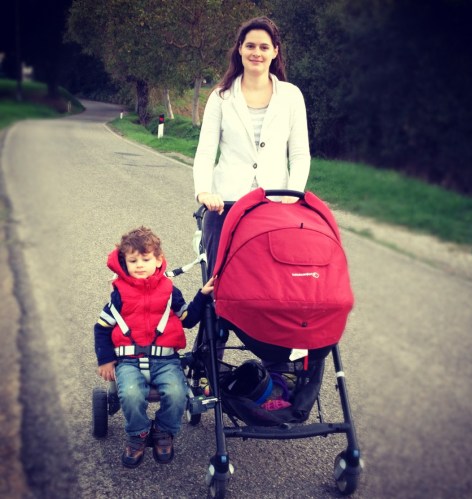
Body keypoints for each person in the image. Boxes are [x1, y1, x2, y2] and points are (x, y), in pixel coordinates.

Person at [193, 16, 311, 277]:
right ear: (240, 49)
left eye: (264, 47)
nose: (256, 52)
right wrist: (204, 192)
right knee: (220, 282)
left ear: (275, 52)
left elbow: (300, 154)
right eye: (250, 46)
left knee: (270, 282)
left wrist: (293, 193)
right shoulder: (221, 97)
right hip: (225, 205)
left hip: (276, 205)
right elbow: (205, 152)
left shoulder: (291, 96)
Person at [94, 226, 213, 468]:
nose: (139, 265)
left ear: (158, 260)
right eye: (133, 261)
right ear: (124, 263)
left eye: (145, 259)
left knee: (177, 393)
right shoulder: (119, 294)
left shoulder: (169, 291)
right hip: (129, 360)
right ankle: (138, 433)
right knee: (130, 393)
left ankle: (163, 430)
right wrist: (105, 359)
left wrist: (201, 296)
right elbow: (102, 327)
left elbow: (188, 319)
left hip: (165, 360)